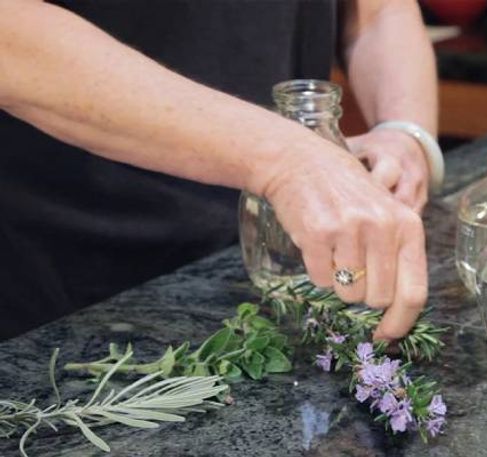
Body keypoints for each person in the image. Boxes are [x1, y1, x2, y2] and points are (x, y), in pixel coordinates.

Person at [0, 0, 437, 340]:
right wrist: (289, 160)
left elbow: (379, 12)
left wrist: (404, 131)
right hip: (60, 288)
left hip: (271, 274)